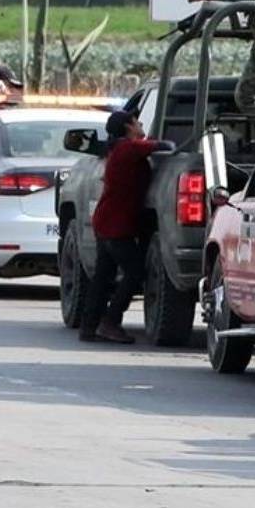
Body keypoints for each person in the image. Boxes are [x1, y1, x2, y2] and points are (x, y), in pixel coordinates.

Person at [80, 111, 172, 343]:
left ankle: (89, 326)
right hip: (115, 225)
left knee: (103, 276)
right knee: (135, 272)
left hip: (108, 220)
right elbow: (164, 146)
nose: (140, 124)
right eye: (136, 122)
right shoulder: (127, 148)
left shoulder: (118, 149)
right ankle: (111, 321)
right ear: (128, 126)